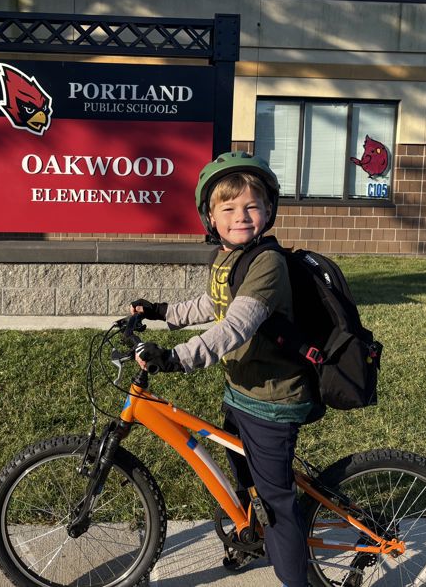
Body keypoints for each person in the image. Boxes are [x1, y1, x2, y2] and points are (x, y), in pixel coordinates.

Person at [130, 151, 317, 587]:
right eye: (228, 208)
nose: (241, 216)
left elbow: (236, 325)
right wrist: (161, 311)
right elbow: (213, 305)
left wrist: (177, 357)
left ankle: (294, 577)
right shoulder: (228, 255)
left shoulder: (266, 262)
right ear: (210, 217)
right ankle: (249, 535)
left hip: (272, 400)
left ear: (268, 211)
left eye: (252, 207)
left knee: (276, 503)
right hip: (241, 390)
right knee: (245, 479)